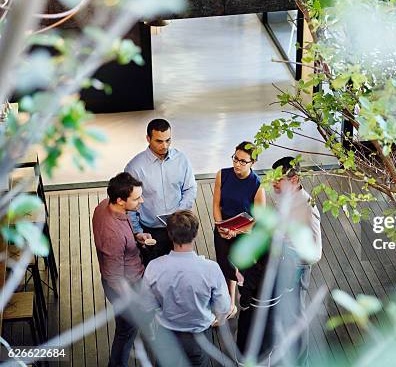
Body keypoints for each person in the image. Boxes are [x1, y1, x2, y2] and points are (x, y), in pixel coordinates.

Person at [141, 210, 231, 367]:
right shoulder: (211, 269)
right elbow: (223, 307)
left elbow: (146, 305)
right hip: (199, 338)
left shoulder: (154, 267)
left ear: (170, 235)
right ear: (195, 235)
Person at [92, 172, 150, 367]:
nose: (141, 201)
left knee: (127, 328)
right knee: (125, 333)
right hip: (126, 286)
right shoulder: (112, 234)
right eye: (136, 198)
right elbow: (115, 278)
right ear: (120, 200)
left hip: (128, 276)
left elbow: (122, 238)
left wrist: (136, 237)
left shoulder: (103, 205)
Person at [271, 156, 322, 364]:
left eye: (278, 179)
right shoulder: (283, 196)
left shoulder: (307, 207)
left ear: (294, 180)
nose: (273, 183)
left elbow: (315, 252)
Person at [125, 118, 197, 263]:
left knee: (180, 269)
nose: (164, 146)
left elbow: (190, 188)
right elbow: (129, 203)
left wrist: (179, 214)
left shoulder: (182, 159)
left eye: (168, 140)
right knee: (152, 272)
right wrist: (138, 231)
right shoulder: (135, 167)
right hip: (152, 232)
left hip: (179, 227)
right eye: (159, 141)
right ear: (148, 139)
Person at [213, 141, 266, 319]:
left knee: (241, 269)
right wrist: (220, 225)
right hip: (223, 229)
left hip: (243, 233)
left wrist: (236, 231)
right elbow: (216, 204)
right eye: (235, 159)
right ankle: (229, 304)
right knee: (225, 266)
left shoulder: (257, 185)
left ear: (253, 163)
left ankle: (245, 302)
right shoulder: (222, 175)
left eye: (243, 161)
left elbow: (259, 219)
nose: (237, 164)